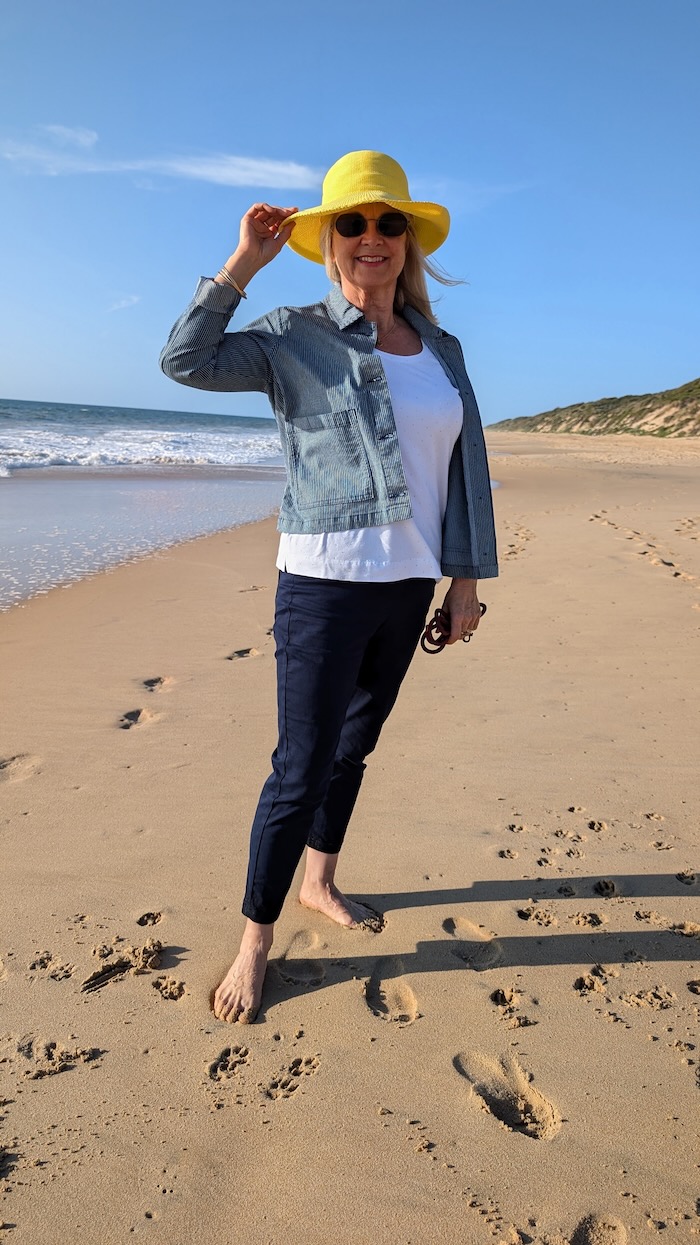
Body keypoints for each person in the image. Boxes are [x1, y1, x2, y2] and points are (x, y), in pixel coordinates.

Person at [160, 150, 498, 1024]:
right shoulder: (291, 333)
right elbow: (185, 360)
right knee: (298, 765)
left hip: (411, 583)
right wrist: (242, 264)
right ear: (329, 241)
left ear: (409, 239)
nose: (372, 238)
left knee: (355, 746)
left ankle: (321, 880)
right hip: (322, 582)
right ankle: (253, 942)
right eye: (352, 223)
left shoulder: (442, 348)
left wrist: (463, 582)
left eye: (389, 223)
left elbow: (464, 470)